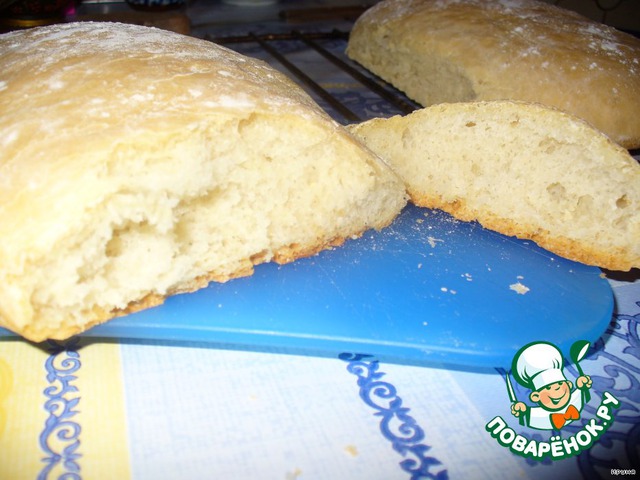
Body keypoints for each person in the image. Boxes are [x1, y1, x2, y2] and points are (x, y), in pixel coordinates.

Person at [510, 341, 592, 430]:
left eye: (560, 384)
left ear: (569, 384)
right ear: (535, 396)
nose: (557, 389)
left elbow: (582, 394)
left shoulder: (576, 399)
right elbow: (525, 417)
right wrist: (521, 410)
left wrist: (582, 386)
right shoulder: (537, 416)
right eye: (548, 387)